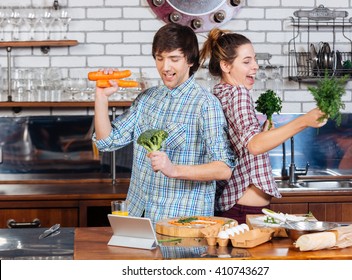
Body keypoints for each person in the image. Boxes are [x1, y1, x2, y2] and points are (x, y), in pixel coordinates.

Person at [92, 23, 236, 225]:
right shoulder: (148, 99)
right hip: (138, 215)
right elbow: (107, 141)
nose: (165, 67)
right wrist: (101, 97)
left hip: (181, 222)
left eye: (174, 59)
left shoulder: (205, 104)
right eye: (160, 59)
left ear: (190, 60)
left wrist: (173, 169)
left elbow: (223, 168)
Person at [200, 28, 327, 224]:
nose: (256, 66)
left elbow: (241, 145)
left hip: (234, 207)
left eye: (254, 60)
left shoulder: (219, 93)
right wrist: (305, 121)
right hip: (244, 210)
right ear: (225, 65)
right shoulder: (238, 93)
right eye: (247, 61)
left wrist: (263, 134)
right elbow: (254, 145)